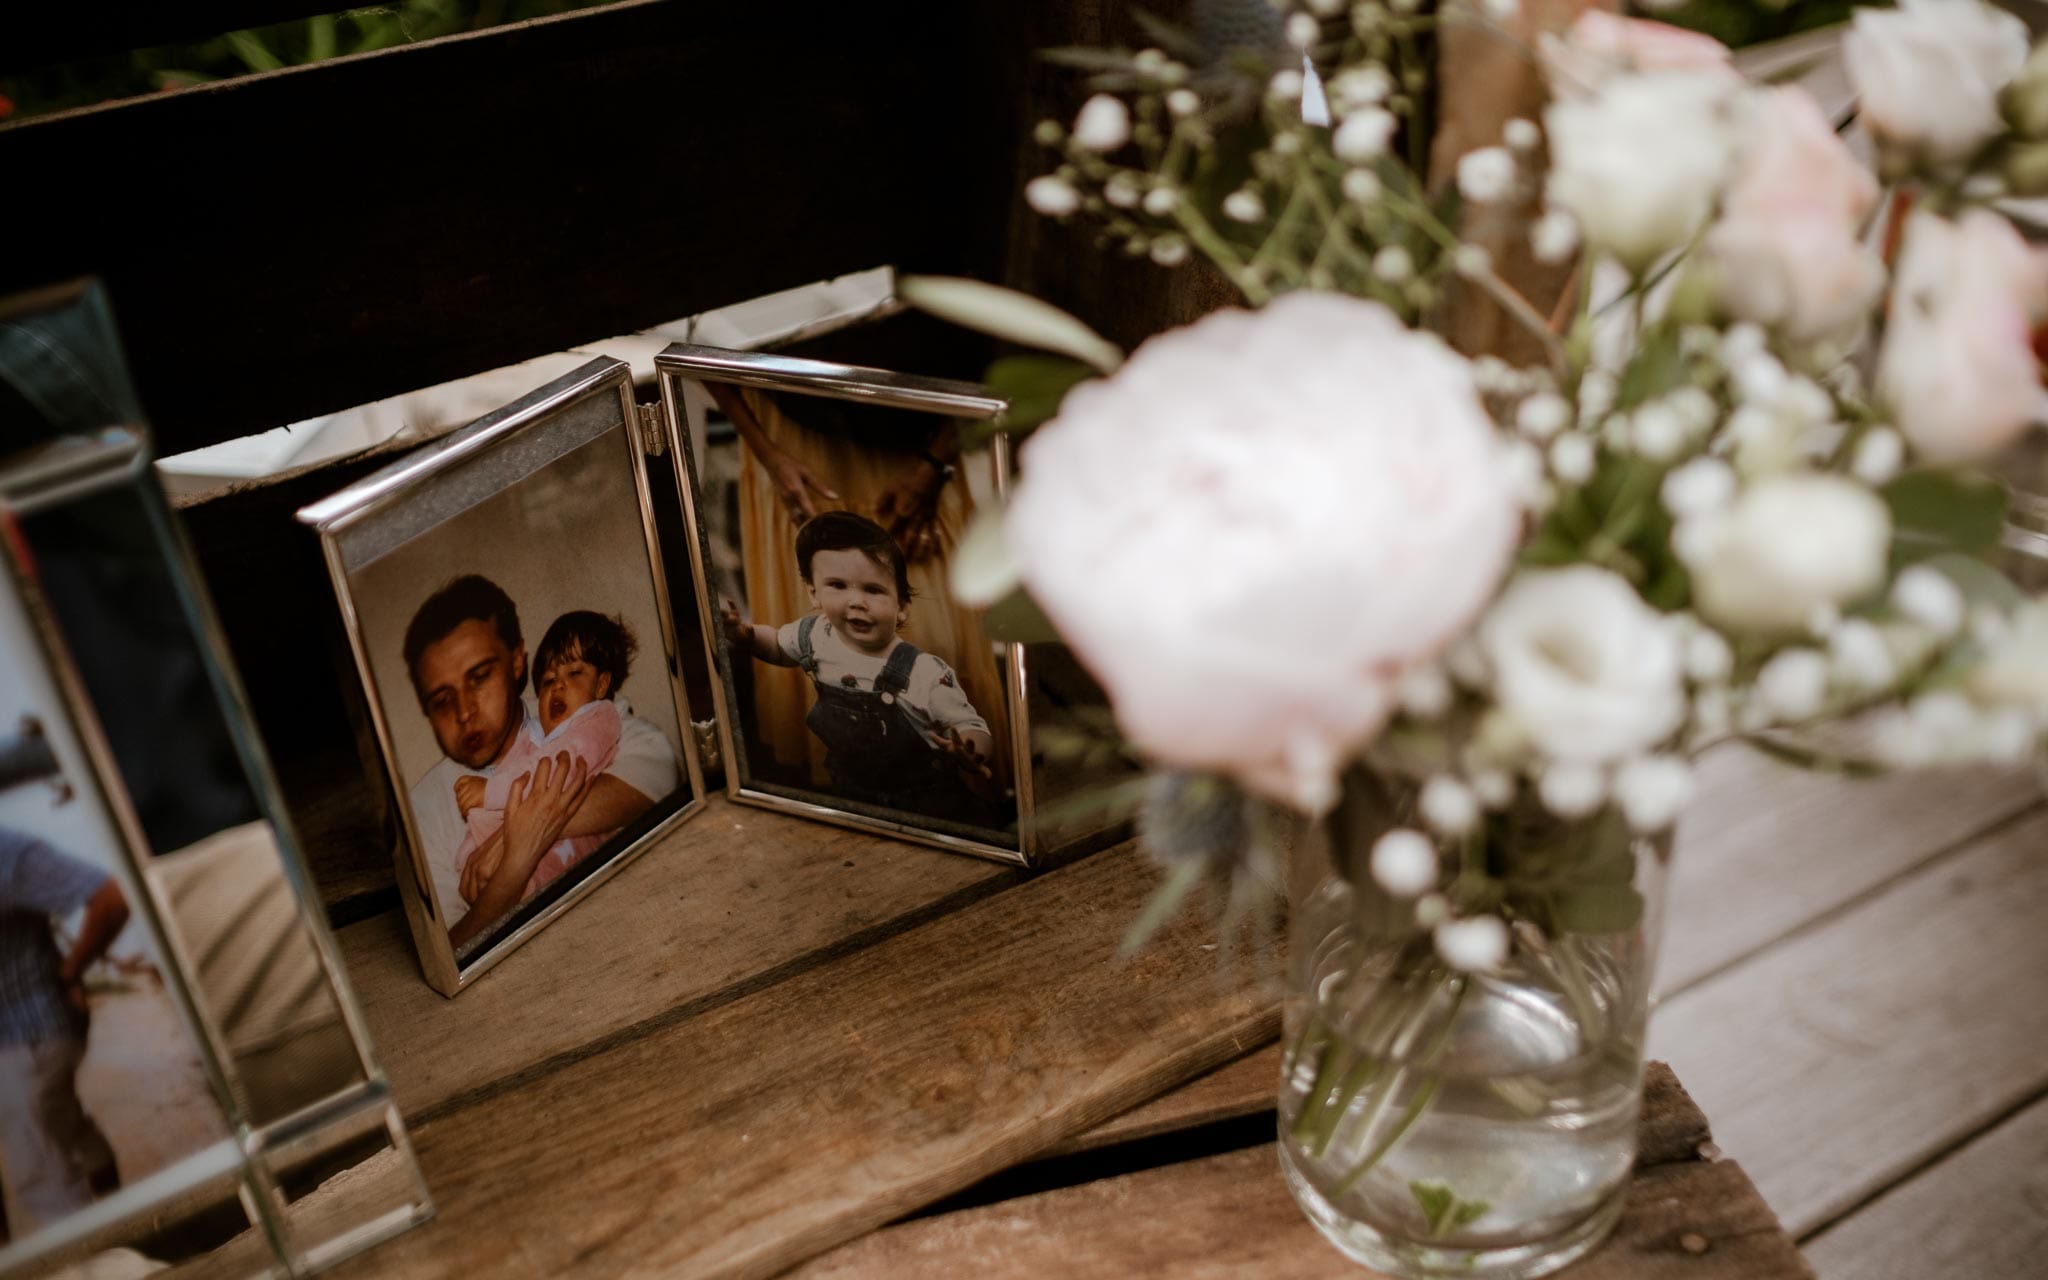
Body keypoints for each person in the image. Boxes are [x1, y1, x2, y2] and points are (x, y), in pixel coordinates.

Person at [401, 576, 677, 949]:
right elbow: (452, 953)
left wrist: (518, 832)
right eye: (441, 700)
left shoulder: (572, 719)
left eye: (479, 677)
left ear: (517, 661)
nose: (464, 712)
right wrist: (514, 866)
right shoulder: (421, 814)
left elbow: (659, 773)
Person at [723, 512, 999, 822]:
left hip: (926, 801)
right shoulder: (815, 635)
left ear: (902, 607)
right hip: (851, 791)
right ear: (813, 593)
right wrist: (743, 635)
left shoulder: (923, 672)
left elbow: (970, 724)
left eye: (873, 590)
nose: (856, 602)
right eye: (838, 586)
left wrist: (971, 750)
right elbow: (775, 645)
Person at [453, 611, 637, 906]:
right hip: (511, 846)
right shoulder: (533, 736)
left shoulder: (598, 718)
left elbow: (554, 773)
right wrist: (471, 853)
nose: (558, 685)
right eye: (549, 679)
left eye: (574, 673)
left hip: (563, 847)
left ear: (601, 685)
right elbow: (513, 771)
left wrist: (488, 792)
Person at [0, 826, 128, 1232]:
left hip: (28, 1033)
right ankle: (126, 1219)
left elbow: (110, 900)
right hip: (32, 1034)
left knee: (40, 1172)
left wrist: (72, 971)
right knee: (62, 1121)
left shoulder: (8, 850)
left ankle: (97, 1261)